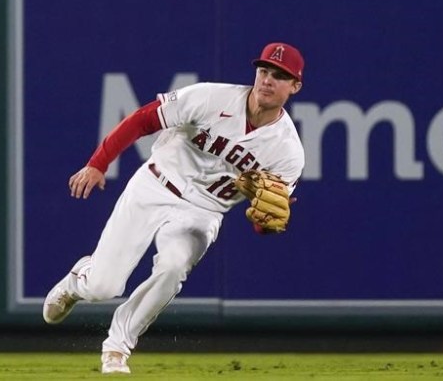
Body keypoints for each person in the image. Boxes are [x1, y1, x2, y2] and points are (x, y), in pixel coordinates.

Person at [42, 42, 306, 375]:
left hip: (203, 212)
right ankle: (77, 280)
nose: (268, 80)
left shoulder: (288, 152)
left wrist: (263, 217)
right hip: (154, 184)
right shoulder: (212, 98)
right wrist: (98, 164)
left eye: (280, 76)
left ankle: (117, 347)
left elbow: (265, 221)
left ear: (295, 86)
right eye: (264, 70)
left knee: (173, 266)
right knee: (102, 288)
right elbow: (143, 120)